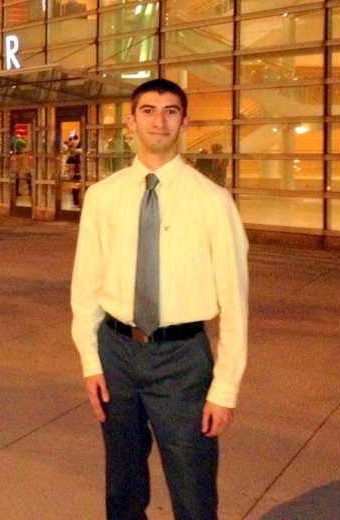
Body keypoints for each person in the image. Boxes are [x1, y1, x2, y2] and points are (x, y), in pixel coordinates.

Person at [70, 77, 249, 520]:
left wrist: (225, 388)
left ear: (184, 122)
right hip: (116, 353)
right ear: (131, 122)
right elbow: (86, 286)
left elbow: (235, 303)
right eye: (148, 111)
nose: (159, 121)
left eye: (171, 112)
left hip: (182, 360)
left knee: (193, 490)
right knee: (123, 488)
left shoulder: (213, 201)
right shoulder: (102, 197)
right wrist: (91, 361)